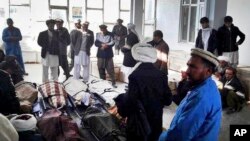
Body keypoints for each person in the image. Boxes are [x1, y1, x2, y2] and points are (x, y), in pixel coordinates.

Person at [159, 48, 222, 141]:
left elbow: (179, 136)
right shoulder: (207, 86)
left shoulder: (201, 97)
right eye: (188, 66)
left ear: (208, 71)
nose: (187, 71)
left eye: (193, 67)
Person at [118, 43, 172, 141]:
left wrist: (121, 109)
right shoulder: (161, 75)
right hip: (155, 123)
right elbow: (168, 100)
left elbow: (131, 101)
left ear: (137, 57)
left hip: (139, 124)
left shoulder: (135, 75)